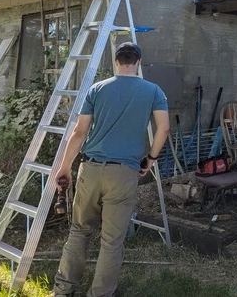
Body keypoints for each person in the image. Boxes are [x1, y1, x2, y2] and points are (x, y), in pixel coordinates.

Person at [52, 42, 170, 297]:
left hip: (90, 169)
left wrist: (65, 168)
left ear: (116, 62)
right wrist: (150, 159)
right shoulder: (154, 91)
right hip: (124, 172)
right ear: (138, 62)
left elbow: (79, 132)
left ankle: (62, 290)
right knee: (112, 241)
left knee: (79, 230)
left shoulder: (97, 89)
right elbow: (164, 129)